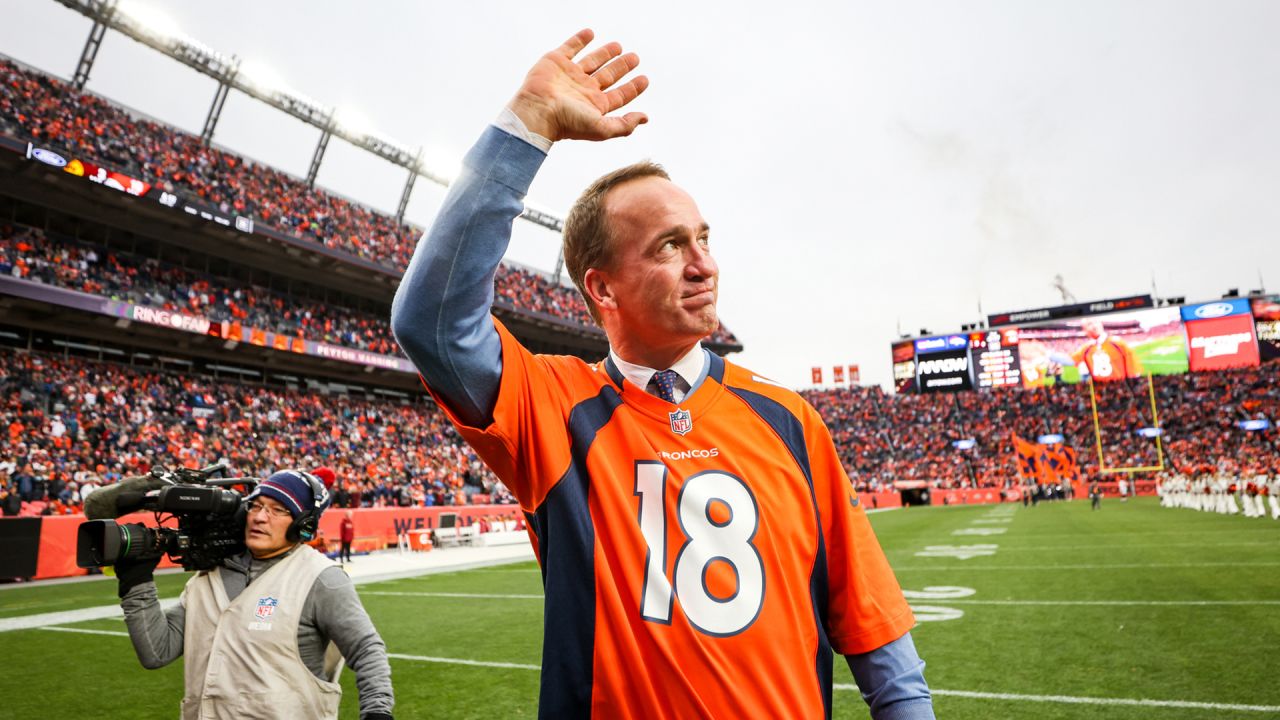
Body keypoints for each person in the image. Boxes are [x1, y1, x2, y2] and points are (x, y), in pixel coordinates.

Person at [391, 29, 932, 719]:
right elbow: (432, 322)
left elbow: (883, 650)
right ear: (604, 289)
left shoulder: (789, 420)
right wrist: (525, 124)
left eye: (704, 238)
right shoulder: (557, 409)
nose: (703, 263)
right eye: (670, 246)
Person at [116, 470, 394, 720]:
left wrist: (377, 711)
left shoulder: (321, 578)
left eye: (278, 510)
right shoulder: (209, 576)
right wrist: (136, 580)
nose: (260, 516)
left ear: (303, 525)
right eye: (257, 506)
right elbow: (156, 651)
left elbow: (367, 649)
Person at [1071, 317, 1143, 381]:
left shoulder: (1117, 343)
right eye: (1089, 324)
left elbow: (1134, 370)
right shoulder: (1086, 349)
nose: (1094, 326)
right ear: (1085, 330)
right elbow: (1070, 360)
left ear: (1101, 324)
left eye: (1096, 322)